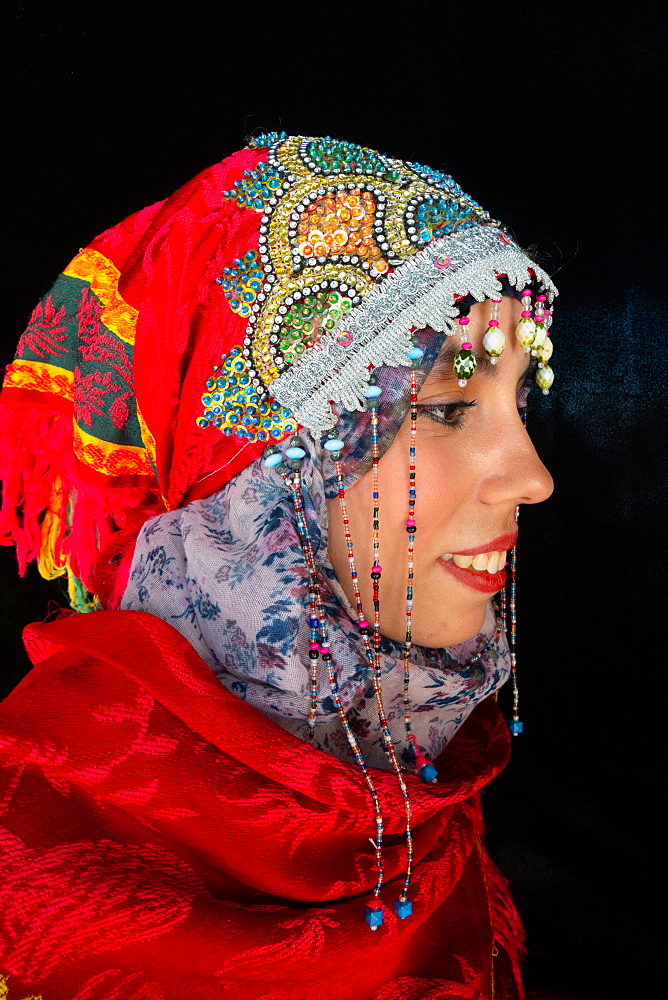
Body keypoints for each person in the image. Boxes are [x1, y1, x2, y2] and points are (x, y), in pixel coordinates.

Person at [0, 133, 557, 1000]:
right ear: (261, 479)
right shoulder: (29, 839)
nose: (533, 476)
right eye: (447, 408)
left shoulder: (412, 774)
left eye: (519, 400)